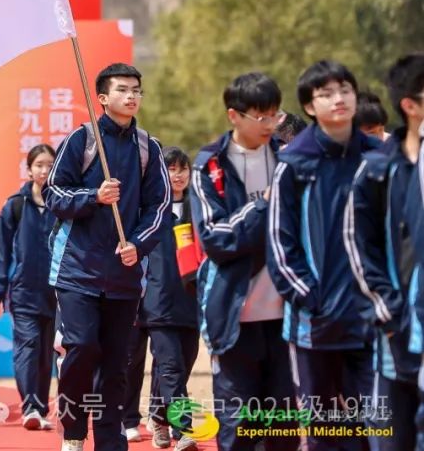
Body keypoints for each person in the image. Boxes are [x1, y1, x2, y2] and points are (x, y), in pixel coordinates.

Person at [43, 63, 170, 451]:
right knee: (81, 348)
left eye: (136, 90)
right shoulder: (82, 140)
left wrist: (138, 243)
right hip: (77, 269)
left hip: (125, 272)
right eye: (122, 90)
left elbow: (160, 206)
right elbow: (53, 193)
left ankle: (110, 441)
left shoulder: (148, 147)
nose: (131, 96)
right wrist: (92, 197)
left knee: (118, 362)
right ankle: (75, 431)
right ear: (101, 97)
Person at [268, 59, 379, 449]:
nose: (339, 99)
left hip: (373, 319)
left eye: (345, 89)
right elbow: (281, 245)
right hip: (316, 323)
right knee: (327, 429)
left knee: (376, 426)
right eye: (326, 93)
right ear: (310, 106)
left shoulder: (378, 159)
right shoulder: (295, 163)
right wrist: (313, 298)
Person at [191, 72, 296, 450]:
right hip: (234, 318)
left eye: (274, 115)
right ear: (234, 116)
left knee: (282, 429)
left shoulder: (288, 162)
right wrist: (264, 203)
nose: (270, 124)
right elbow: (216, 238)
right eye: (261, 116)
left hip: (287, 321)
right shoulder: (210, 167)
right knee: (238, 428)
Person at [345, 53, 424, 448]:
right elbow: (360, 248)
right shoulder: (377, 172)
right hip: (397, 335)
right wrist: (389, 311)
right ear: (410, 106)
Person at [0, 144, 57, 432]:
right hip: (24, 291)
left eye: (49, 165)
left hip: (58, 292)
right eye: (39, 165)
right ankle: (30, 406)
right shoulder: (15, 204)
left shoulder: (64, 204)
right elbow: (0, 249)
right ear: (29, 170)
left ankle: (39, 407)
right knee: (27, 348)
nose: (44, 170)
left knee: (46, 353)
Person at [140, 146, 199, 451]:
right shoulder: (149, 210)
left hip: (192, 302)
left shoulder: (199, 208)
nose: (177, 176)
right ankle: (183, 431)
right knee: (172, 367)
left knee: (180, 366)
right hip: (158, 302)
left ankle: (158, 418)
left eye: (182, 169)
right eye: (171, 169)